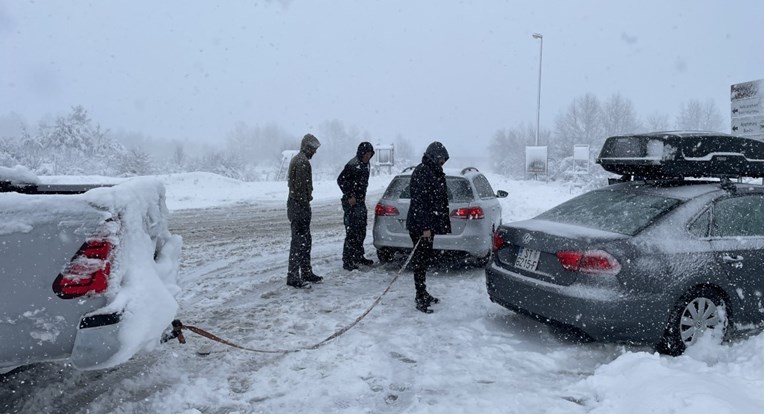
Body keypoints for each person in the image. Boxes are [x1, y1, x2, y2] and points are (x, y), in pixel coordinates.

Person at [405, 141, 451, 313]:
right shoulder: (422, 172)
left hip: (428, 225)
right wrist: (425, 226)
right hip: (420, 226)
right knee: (420, 261)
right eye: (440, 159)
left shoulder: (434, 171)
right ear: (433, 156)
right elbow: (419, 202)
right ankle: (419, 296)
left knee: (424, 260)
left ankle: (423, 292)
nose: (442, 162)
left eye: (444, 160)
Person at [286, 133, 323, 289]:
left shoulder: (299, 160)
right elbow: (301, 190)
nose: (315, 152)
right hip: (299, 207)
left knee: (304, 241)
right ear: (307, 147)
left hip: (296, 206)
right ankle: (294, 276)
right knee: (300, 242)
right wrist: (306, 204)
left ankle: (305, 272)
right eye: (313, 149)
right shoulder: (302, 163)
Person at [337, 142, 375, 271]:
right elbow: (341, 180)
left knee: (361, 230)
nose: (368, 157)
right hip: (351, 203)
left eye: (370, 154)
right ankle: (347, 260)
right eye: (366, 154)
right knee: (352, 231)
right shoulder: (353, 165)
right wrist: (350, 195)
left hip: (360, 201)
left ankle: (358, 256)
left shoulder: (366, 165)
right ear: (361, 153)